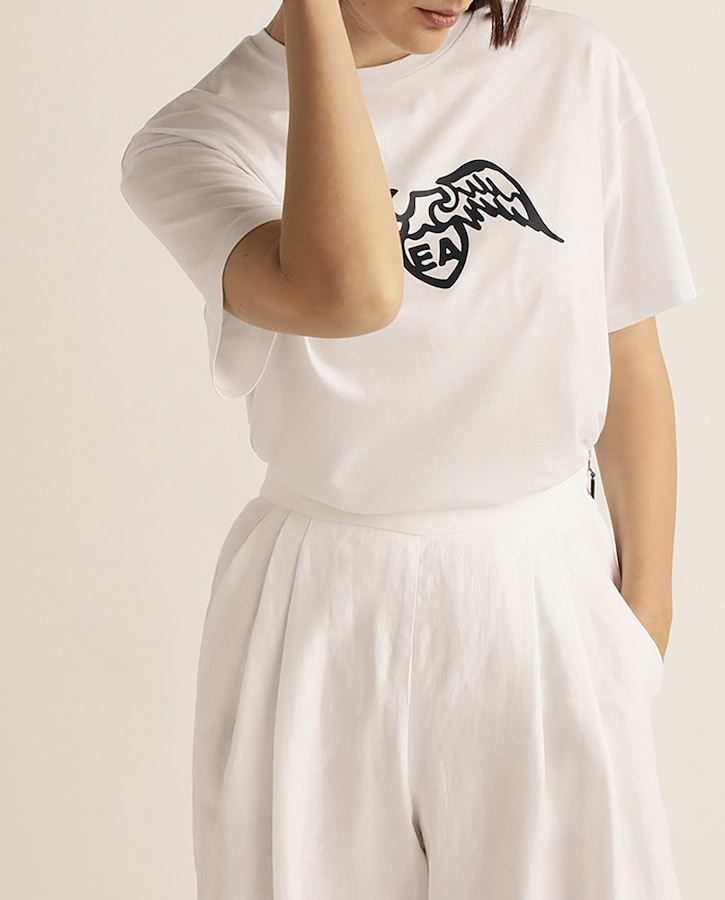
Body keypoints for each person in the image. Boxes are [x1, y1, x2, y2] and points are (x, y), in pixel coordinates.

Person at [119, 1, 697, 896]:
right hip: (321, 615)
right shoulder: (196, 142)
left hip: (541, 590)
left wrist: (640, 629)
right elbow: (350, 293)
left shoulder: (571, 68)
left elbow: (629, 357)